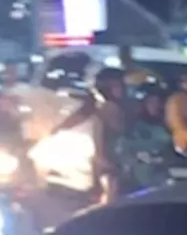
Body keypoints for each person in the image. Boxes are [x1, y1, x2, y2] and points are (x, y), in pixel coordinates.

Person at [53, 65, 133, 200]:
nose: (121, 88)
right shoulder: (103, 108)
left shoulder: (119, 107)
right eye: (116, 85)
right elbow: (82, 116)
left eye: (121, 85)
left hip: (123, 162)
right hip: (111, 162)